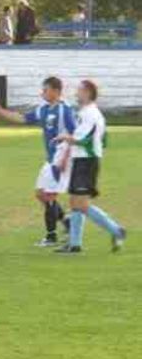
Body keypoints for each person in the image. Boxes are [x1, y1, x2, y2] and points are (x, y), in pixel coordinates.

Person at [0, 76, 77, 247]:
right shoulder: (43, 109)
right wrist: (0, 111)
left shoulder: (65, 110)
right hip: (50, 159)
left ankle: (51, 236)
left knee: (48, 195)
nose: (42, 93)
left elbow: (75, 135)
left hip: (61, 158)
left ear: (56, 91)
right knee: (40, 194)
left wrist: (65, 158)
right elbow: (22, 118)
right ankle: (67, 224)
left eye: (45, 90)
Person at [53, 80, 127, 255]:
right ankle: (74, 244)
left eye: (79, 90)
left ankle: (117, 231)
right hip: (82, 160)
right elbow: (103, 139)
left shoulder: (91, 113)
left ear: (87, 92)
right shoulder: (85, 112)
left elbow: (84, 139)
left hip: (87, 161)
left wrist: (65, 137)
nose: (76, 93)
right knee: (74, 202)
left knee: (82, 203)